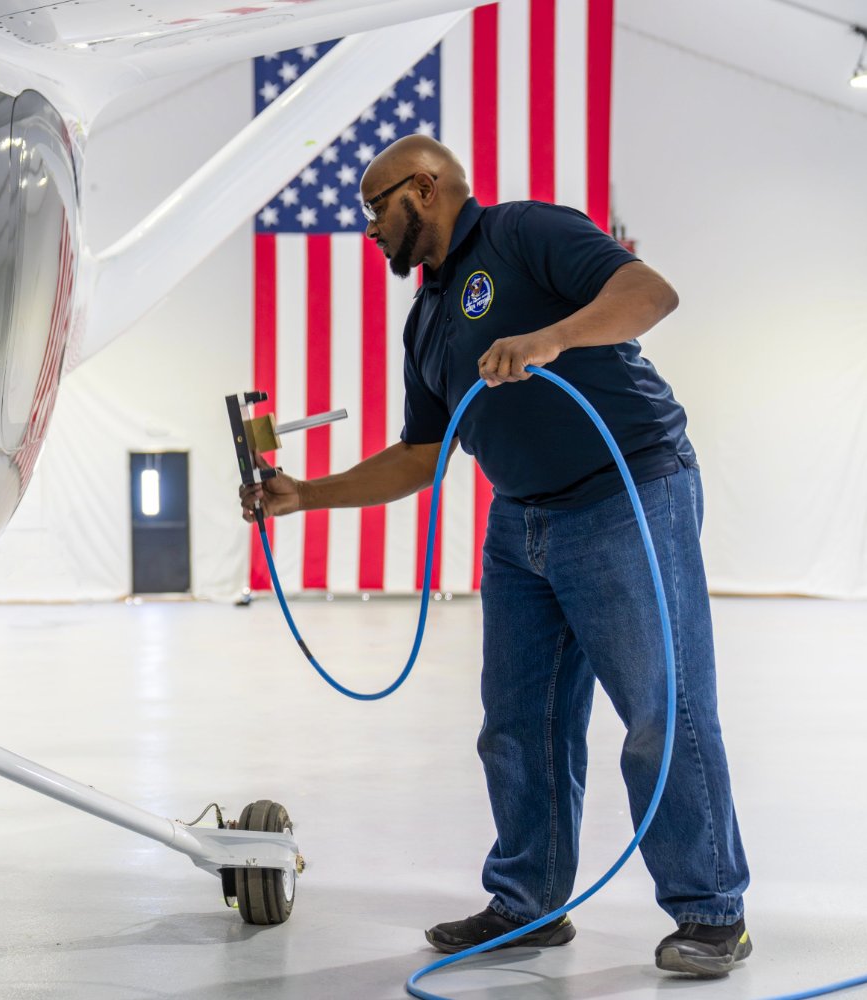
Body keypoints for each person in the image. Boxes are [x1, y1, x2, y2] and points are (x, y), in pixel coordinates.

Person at [240, 135, 750, 978]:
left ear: (428, 188)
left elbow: (648, 292)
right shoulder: (427, 318)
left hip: (628, 495)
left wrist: (551, 338)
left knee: (663, 714)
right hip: (522, 526)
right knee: (518, 727)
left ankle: (710, 911)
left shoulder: (522, 233)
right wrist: (307, 494)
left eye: (377, 206)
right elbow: (421, 453)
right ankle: (529, 905)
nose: (369, 228)